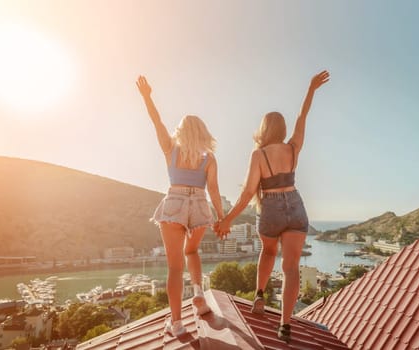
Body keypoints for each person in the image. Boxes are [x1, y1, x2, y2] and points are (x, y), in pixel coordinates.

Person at [214, 70, 330, 343]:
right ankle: (285, 325)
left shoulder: (259, 155)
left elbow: (247, 192)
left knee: (267, 252)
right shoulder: (293, 149)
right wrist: (311, 89)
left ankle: (259, 295)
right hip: (295, 203)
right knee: (291, 268)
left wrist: (228, 219)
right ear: (282, 129)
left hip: (271, 208)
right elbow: (303, 118)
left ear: (264, 129)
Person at [136, 76, 223, 337]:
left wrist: (147, 96)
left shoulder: (171, 149)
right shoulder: (209, 159)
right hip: (199, 203)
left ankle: (176, 323)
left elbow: (157, 121)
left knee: (174, 267)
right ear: (203, 133)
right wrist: (222, 218)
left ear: (181, 132)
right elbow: (215, 191)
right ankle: (198, 292)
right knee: (192, 252)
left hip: (174, 202)